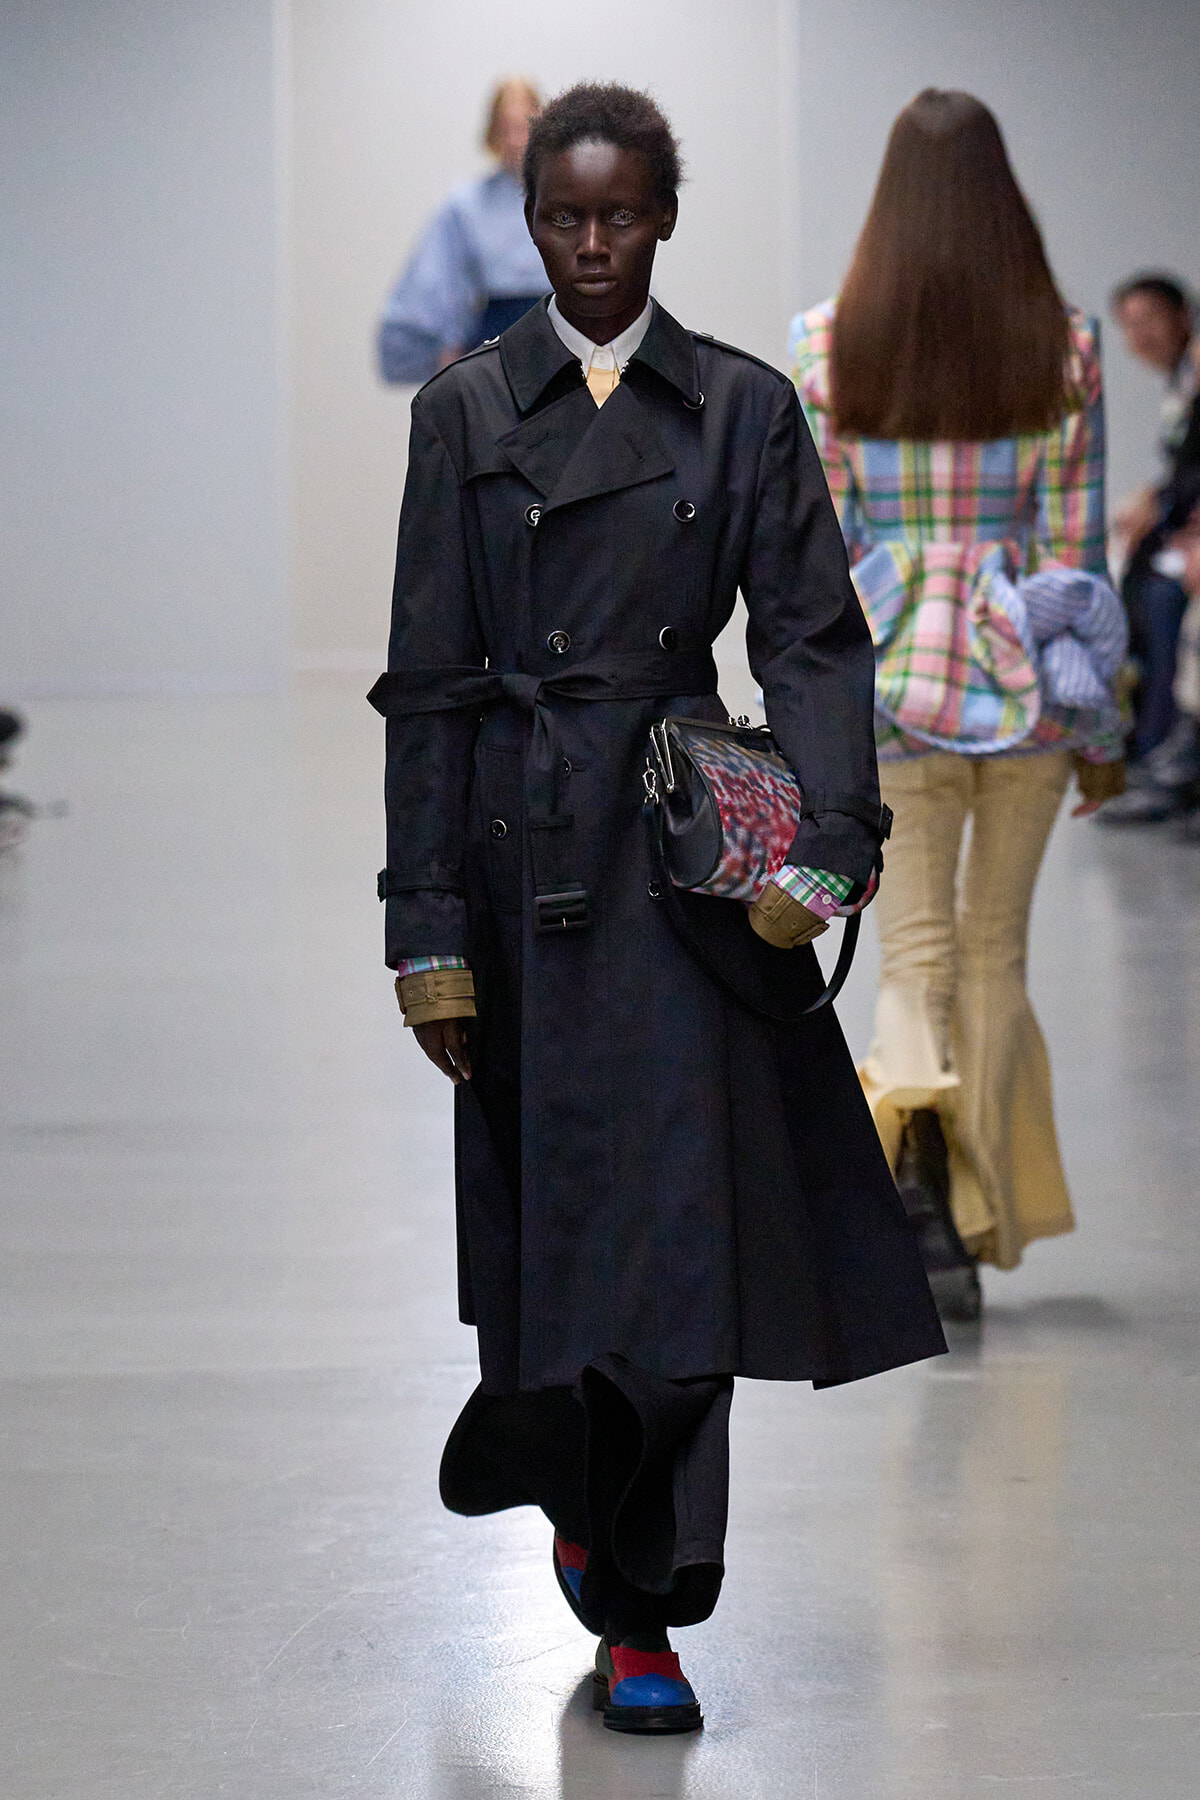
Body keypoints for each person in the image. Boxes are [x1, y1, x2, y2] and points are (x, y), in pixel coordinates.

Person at [370, 82, 944, 1734]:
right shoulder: (468, 413)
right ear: (531, 220)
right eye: (566, 217)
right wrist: (425, 933)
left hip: (686, 875)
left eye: (622, 216)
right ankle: (571, 1496)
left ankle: (651, 1615)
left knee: (688, 1261)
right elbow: (425, 689)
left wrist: (823, 844)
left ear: (662, 221)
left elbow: (816, 641)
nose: (595, 245)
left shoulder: (744, 412)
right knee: (558, 1251)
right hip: (514, 862)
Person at [790, 90, 1127, 1322]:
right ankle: (974, 1209)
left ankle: (916, 1191)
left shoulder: (827, 348)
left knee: (914, 954)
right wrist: (1105, 735)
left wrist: (893, 614)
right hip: (1027, 692)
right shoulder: (1067, 348)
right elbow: (1076, 561)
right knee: (996, 954)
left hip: (893, 690)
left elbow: (825, 554)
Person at [1100, 274, 1200, 821]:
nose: (1139, 337)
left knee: (1163, 600)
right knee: (1138, 582)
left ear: (1183, 314)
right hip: (1182, 539)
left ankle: (1167, 752)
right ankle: (1148, 746)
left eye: (1149, 321)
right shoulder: (1180, 382)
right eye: (1129, 327)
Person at [377, 78, 549, 384]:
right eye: (505, 128)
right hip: (492, 348)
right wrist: (445, 347)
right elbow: (440, 283)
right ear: (492, 133)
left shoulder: (573, 200)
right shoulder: (467, 205)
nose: (515, 140)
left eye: (523, 127)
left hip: (560, 343)